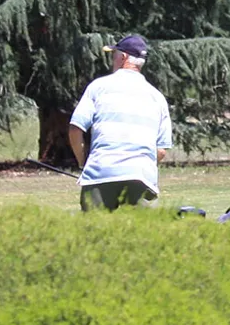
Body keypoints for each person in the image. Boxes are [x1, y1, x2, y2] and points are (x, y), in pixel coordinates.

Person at [68, 34, 173, 211]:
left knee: (94, 235)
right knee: (143, 237)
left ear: (123, 57)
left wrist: (82, 161)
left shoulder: (98, 87)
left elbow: (75, 129)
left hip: (100, 173)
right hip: (142, 176)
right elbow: (161, 150)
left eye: (113, 55)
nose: (112, 60)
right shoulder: (157, 97)